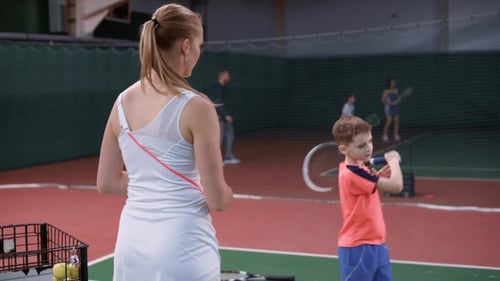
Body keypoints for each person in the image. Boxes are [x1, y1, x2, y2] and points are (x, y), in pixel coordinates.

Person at [96, 4, 233, 281]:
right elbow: (217, 200)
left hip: (130, 246)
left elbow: (106, 183)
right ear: (185, 45)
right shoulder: (198, 107)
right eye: (199, 44)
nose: (198, 52)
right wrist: (228, 193)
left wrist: (152, 182)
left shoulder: (121, 102)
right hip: (182, 249)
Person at [332, 116, 403, 281]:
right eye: (361, 145)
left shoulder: (360, 167)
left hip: (377, 243)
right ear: (344, 149)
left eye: (370, 141)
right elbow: (397, 186)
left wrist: (378, 176)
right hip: (358, 247)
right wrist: (393, 162)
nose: (368, 148)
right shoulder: (352, 173)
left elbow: (367, 186)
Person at [211, 70, 240, 165]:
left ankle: (228, 156)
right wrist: (225, 115)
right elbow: (218, 103)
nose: (229, 77)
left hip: (224, 117)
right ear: (222, 76)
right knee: (219, 139)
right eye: (227, 75)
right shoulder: (217, 88)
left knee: (229, 134)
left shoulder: (222, 88)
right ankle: (215, 160)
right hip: (220, 117)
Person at [381, 78, 401, 142]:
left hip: (395, 107)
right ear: (389, 83)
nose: (393, 83)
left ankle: (396, 135)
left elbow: (398, 99)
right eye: (392, 82)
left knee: (396, 121)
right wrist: (390, 103)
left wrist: (396, 102)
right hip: (388, 107)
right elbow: (382, 100)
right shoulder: (386, 91)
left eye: (394, 82)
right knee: (389, 122)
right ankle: (385, 135)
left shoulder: (396, 90)